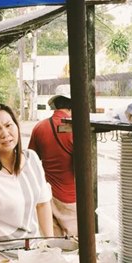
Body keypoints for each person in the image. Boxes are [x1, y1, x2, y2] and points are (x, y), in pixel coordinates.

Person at [0, 102, 53, 263]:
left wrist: (50, 244)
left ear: (17, 126)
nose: (5, 133)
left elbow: (43, 204)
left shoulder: (32, 159)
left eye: (8, 125)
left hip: (35, 254)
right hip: (5, 259)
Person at [28, 94, 78, 237]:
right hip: (70, 196)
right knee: (76, 245)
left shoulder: (39, 127)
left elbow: (31, 160)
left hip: (46, 194)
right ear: (71, 107)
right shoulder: (76, 128)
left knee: (54, 243)